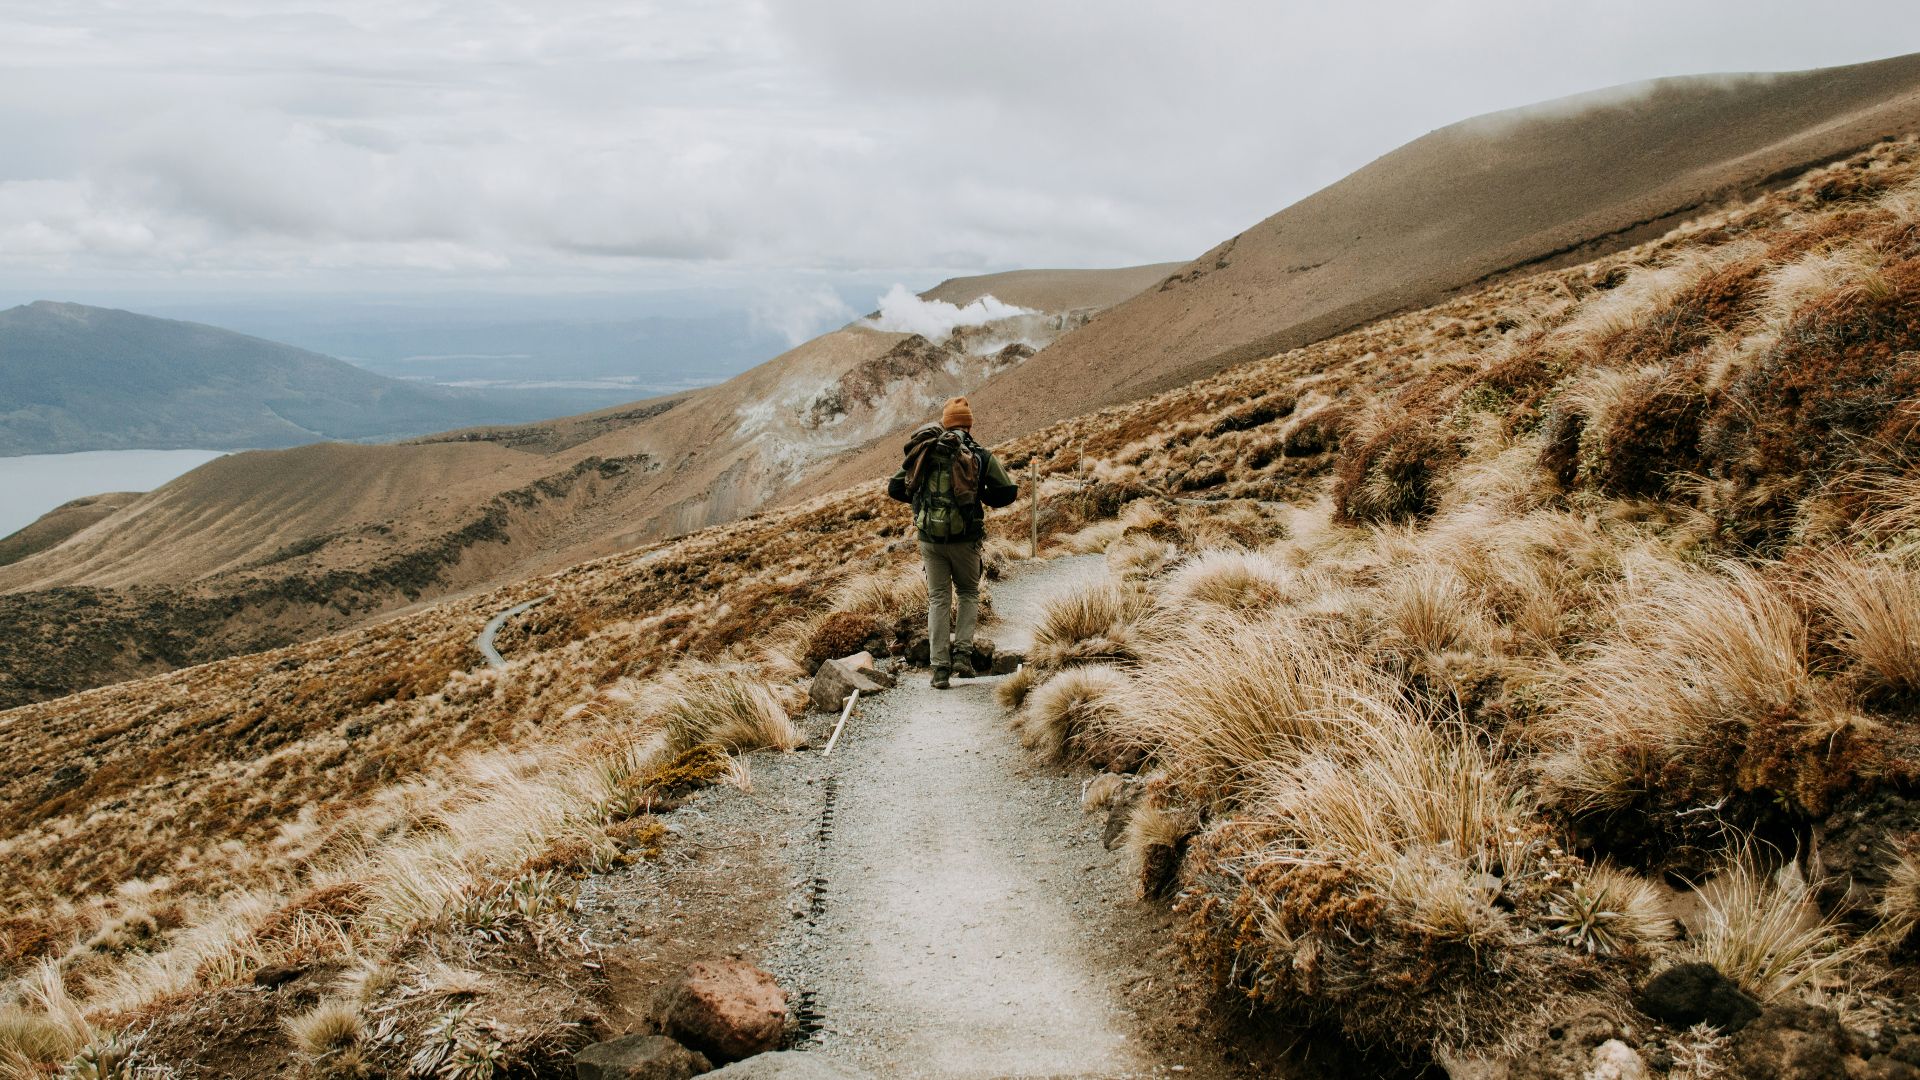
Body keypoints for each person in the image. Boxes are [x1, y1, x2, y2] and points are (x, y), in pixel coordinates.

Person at [887, 396, 1018, 689]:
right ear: (969, 424)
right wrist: (979, 495)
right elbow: (1009, 492)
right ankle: (962, 656)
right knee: (969, 592)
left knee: (938, 599)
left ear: (946, 424)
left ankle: (940, 670)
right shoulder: (979, 454)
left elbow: (895, 487)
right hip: (966, 539)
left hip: (930, 541)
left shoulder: (926, 450)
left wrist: (922, 500)